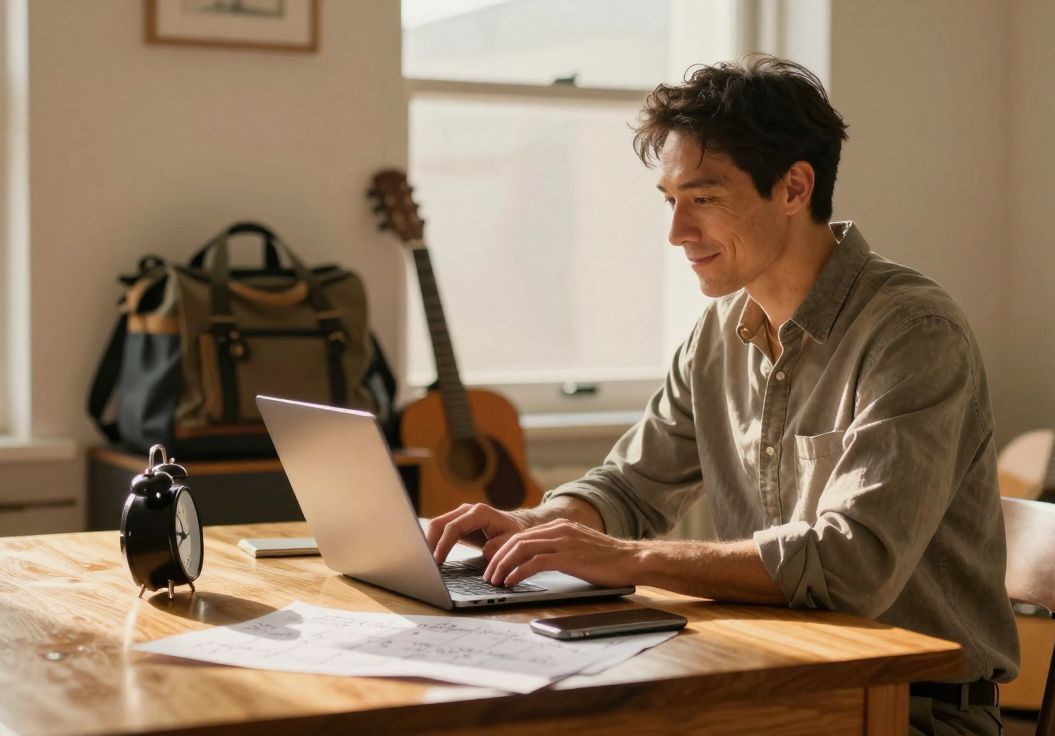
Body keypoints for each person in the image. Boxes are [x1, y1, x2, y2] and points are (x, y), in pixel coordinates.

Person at [425, 55, 1019, 735]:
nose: (677, 233)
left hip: (909, 710)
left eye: (702, 198)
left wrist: (626, 560)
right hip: (769, 682)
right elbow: (629, 486)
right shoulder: (718, 331)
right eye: (670, 201)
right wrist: (539, 526)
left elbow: (852, 564)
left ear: (795, 188)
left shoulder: (913, 332)